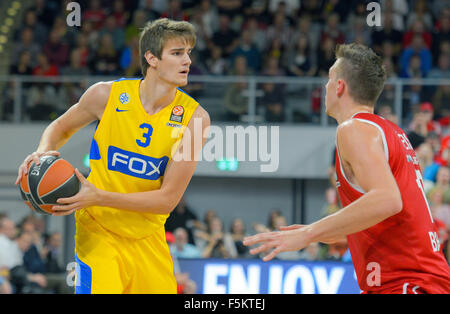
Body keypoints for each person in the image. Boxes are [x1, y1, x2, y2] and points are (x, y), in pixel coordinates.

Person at [15, 18, 210, 294]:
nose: (187, 60)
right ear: (151, 58)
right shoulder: (106, 95)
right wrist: (41, 152)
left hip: (147, 237)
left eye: (189, 52)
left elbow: (167, 200)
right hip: (99, 230)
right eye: (177, 53)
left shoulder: (195, 119)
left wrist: (100, 195)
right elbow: (59, 127)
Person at [244, 43, 450, 294]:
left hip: (408, 283)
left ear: (339, 85)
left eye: (329, 79)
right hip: (417, 279)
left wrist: (310, 233)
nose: (326, 87)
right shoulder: (392, 131)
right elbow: (380, 219)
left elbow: (387, 201)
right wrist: (315, 233)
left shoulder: (353, 129)